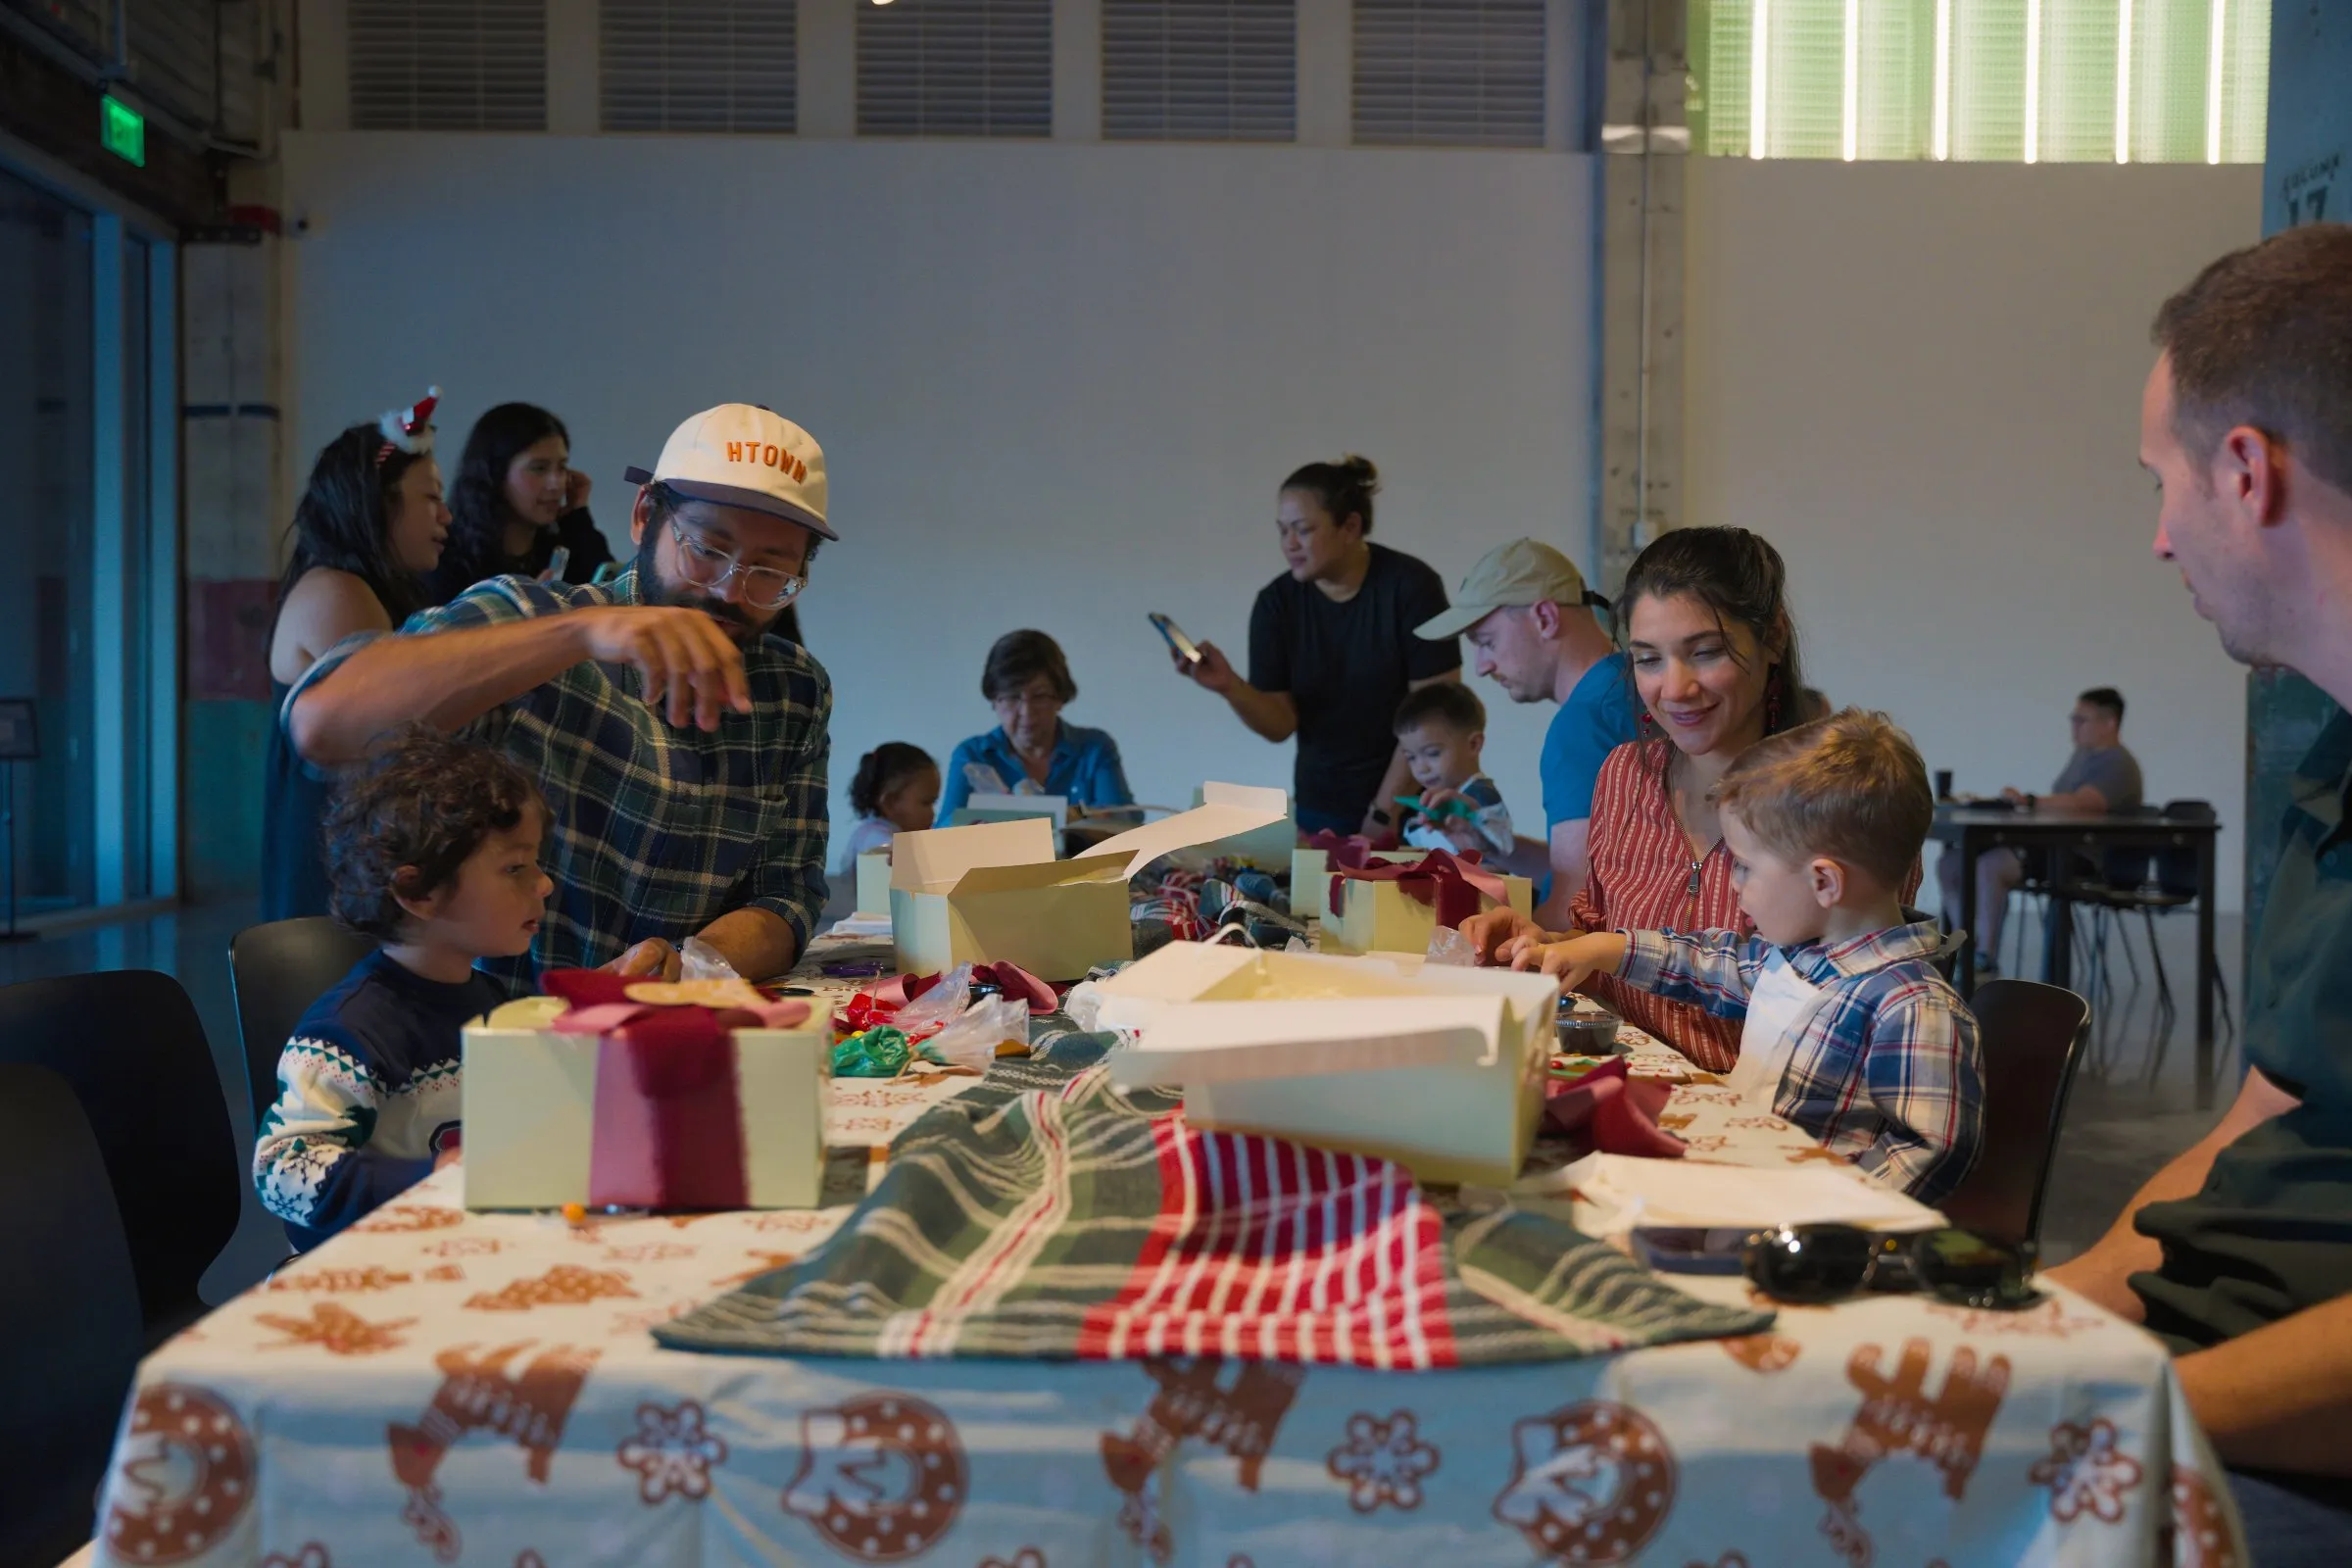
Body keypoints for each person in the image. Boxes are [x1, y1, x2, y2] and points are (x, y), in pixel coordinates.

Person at [2039, 223, 2352, 1558]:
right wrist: (2038, 1318)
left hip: (2268, 1444)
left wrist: (2110, 1414)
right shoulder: (2333, 755)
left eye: (2161, 484)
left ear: (2245, 471)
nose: (2162, 539)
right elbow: (2269, 1109)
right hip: (2193, 1382)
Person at [287, 402, 836, 989]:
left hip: (673, 1027)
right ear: (644, 515)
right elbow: (321, 724)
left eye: (769, 571)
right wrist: (577, 635)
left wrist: (689, 964)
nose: (729, 591)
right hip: (490, 1030)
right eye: (706, 549)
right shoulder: (534, 620)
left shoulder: (792, 691)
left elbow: (787, 897)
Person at [1460, 526, 1905, 1073]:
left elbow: (1858, 997)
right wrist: (1543, 947)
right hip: (1626, 1087)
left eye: (1705, 652)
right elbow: (1601, 950)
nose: (1674, 689)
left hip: (1759, 1112)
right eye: (1648, 659)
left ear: (1773, 638)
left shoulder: (1841, 800)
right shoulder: (1625, 774)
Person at [1507, 710, 1983, 1202]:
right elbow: (1709, 963)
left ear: (1824, 882)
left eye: (1746, 867)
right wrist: (1607, 947)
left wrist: (1831, 1216)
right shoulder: (1800, 956)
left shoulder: (1913, 1006)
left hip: (1797, 1216)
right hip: (1742, 1180)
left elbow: (1931, 1147)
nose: (1735, 884)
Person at [254, 728, 547, 1250]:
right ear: (419, 891)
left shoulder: (492, 1001)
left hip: (459, 1251)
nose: (544, 883)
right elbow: (283, 1172)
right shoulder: (348, 1033)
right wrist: (433, 1179)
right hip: (367, 1267)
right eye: (515, 868)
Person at [1174, 457, 1460, 838]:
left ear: (1350, 526)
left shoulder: (1411, 588)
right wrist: (1231, 687)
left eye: (1303, 530)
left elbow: (1436, 713)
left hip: (1418, 807)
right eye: (1282, 531)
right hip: (1321, 806)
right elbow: (1280, 725)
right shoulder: (1276, 604)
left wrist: (1384, 811)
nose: (1289, 544)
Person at [262, 389, 452, 922]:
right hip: (328, 879)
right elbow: (393, 739)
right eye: (430, 498)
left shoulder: (356, 589)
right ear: (378, 504)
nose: (446, 515)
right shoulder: (336, 592)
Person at [1414, 538, 1640, 920]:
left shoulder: (1582, 724)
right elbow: (1606, 877)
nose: (1482, 666)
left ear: (1546, 618)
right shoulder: (1627, 685)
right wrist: (1497, 846)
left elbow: (1573, 912)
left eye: (1487, 642)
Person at [1937, 686, 2143, 972]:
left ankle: (1984, 956)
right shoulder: (2081, 756)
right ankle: (1966, 948)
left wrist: (2030, 801)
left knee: (1992, 865)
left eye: (2082, 720)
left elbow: (2086, 802)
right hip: (2051, 848)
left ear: (2109, 723)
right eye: (2074, 719)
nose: (2074, 726)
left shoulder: (2118, 762)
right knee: (1950, 864)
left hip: (2082, 857)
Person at [937, 630, 1135, 824]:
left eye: (1039, 696)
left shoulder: (1094, 748)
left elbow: (1124, 820)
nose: (1027, 712)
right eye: (1012, 697)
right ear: (994, 701)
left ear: (1059, 698)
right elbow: (942, 832)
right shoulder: (973, 755)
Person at [424, 402, 613, 600]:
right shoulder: (445, 557)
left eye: (562, 467)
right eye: (539, 468)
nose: (556, 484)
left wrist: (578, 516)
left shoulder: (561, 549)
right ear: (495, 474)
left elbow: (612, 592)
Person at [1391, 683, 1512, 856]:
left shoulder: (1480, 797)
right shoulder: (1431, 799)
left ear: (1473, 744)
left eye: (1433, 753)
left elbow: (1497, 859)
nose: (1421, 768)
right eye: (1411, 758)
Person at [840, 742, 941, 874]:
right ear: (890, 803)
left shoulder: (898, 832)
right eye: (927, 803)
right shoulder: (872, 835)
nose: (933, 813)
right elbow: (883, 849)